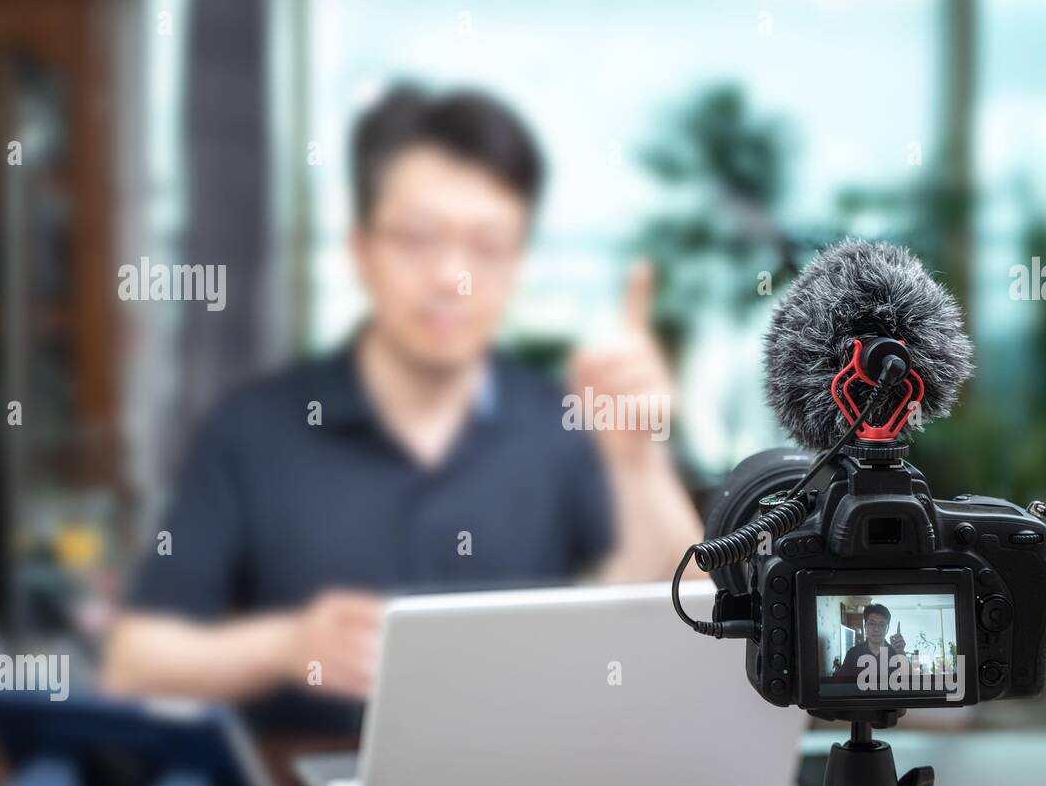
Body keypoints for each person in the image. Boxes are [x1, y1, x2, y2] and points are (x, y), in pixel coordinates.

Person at [100, 85, 703, 731]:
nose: (452, 276)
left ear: (519, 262)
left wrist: (638, 461)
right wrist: (283, 646)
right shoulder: (252, 430)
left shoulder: (560, 423)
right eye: (418, 239)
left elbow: (691, 624)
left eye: (488, 246)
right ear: (361, 250)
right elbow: (132, 664)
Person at [834, 604, 907, 683]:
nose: (876, 629)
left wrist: (900, 652)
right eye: (872, 623)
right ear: (865, 626)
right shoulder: (853, 653)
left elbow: (911, 682)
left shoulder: (895, 652)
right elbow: (841, 683)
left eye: (882, 624)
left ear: (888, 628)